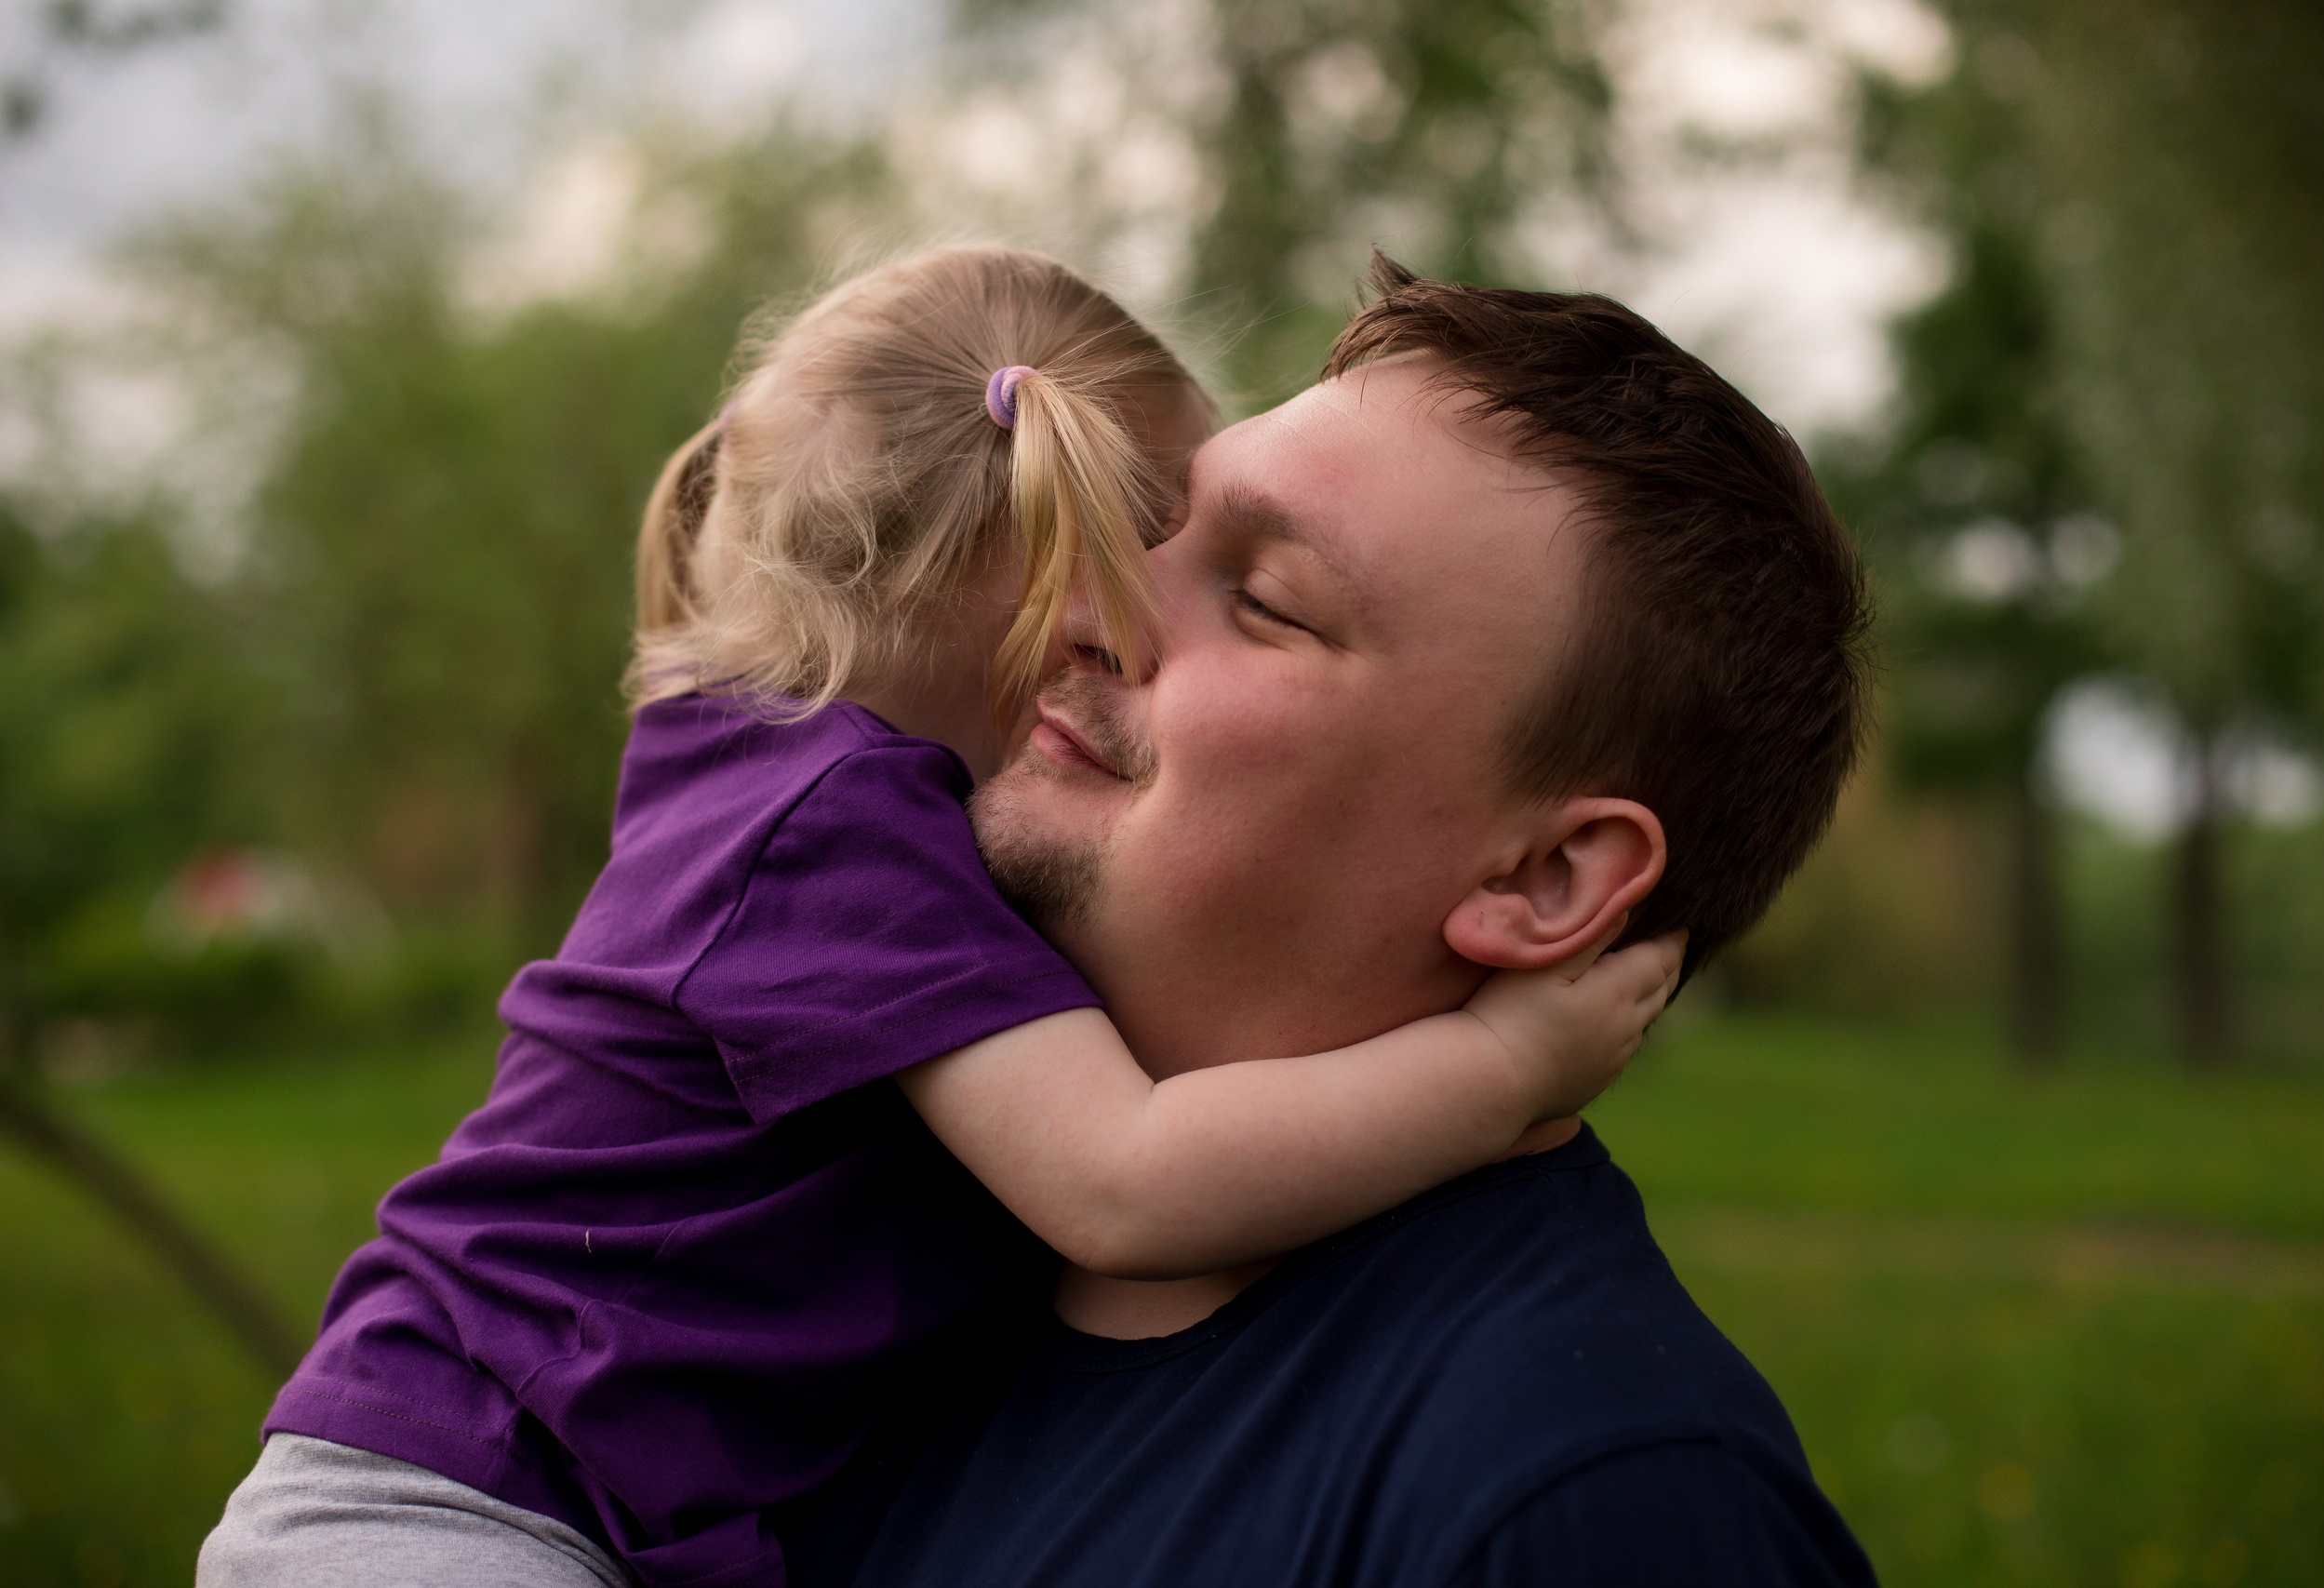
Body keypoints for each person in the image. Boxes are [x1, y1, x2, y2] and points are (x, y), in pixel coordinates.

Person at [196, 247, 1676, 1588]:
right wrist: (1499, 1075)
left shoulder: (767, 768)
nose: (1146, 628)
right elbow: (1126, 1186)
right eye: (1152, 556)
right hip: (451, 1504)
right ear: (1052, 606)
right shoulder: (830, 828)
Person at [781, 258, 1882, 1586]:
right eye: (1149, 531)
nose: (1079, 606)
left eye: (1264, 601)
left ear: (1546, 880)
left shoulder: (1577, 1497)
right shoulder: (828, 1263)